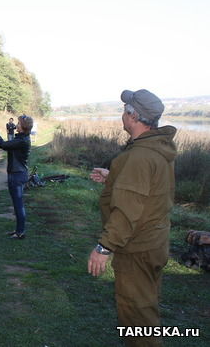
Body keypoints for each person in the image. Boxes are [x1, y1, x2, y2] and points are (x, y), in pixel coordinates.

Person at [87, 89, 176, 347]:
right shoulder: (158, 148)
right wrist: (114, 177)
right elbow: (149, 190)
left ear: (133, 117)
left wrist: (103, 248)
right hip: (155, 242)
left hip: (136, 249)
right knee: (146, 305)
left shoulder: (138, 156)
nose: (122, 115)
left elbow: (127, 213)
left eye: (124, 110)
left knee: (137, 318)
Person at [0, 115, 33, 239]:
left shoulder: (21, 140)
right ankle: (19, 230)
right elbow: (7, 145)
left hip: (17, 175)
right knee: (17, 204)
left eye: (18, 123)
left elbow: (2, 144)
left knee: (18, 205)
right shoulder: (21, 138)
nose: (16, 125)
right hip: (17, 174)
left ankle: (20, 232)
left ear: (23, 127)